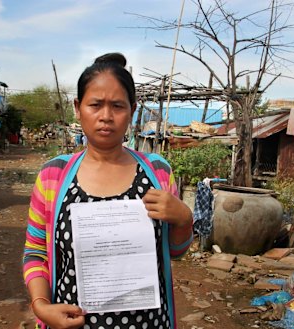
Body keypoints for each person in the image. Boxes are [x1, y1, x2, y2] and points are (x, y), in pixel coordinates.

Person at [22, 52, 193, 329]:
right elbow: (35, 253)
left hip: (148, 323)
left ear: (132, 110)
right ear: (78, 108)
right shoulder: (53, 176)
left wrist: (184, 219)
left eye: (117, 106)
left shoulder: (157, 172)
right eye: (95, 105)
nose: (106, 116)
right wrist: (41, 306)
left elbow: (175, 251)